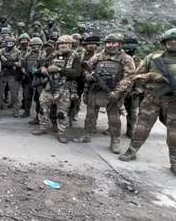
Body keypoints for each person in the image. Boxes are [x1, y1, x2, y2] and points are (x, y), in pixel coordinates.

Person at [119, 28, 176, 175]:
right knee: (141, 127)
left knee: (173, 133)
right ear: (164, 42)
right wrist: (151, 76)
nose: (173, 43)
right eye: (170, 40)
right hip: (152, 98)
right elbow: (136, 75)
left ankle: (174, 161)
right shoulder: (153, 58)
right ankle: (132, 151)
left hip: (173, 101)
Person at [75, 33, 135, 154]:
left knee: (114, 119)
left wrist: (118, 92)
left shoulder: (126, 58)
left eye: (114, 43)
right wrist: (88, 77)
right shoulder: (98, 56)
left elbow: (129, 77)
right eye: (108, 43)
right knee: (90, 115)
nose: (110, 45)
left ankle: (115, 141)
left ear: (120, 44)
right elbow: (86, 70)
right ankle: (87, 134)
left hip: (113, 92)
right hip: (95, 91)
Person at [33, 35, 81, 143]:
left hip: (64, 89)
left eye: (65, 43)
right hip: (49, 87)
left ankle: (62, 133)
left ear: (70, 44)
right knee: (42, 108)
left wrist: (59, 69)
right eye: (60, 43)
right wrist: (42, 69)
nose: (62, 45)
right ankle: (43, 127)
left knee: (62, 113)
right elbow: (40, 66)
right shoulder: (53, 55)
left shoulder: (75, 56)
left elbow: (77, 73)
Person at [0, 35, 22, 117]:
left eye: (11, 42)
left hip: (12, 74)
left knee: (14, 94)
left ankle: (16, 111)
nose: (10, 44)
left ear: (14, 43)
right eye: (8, 42)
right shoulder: (1, 51)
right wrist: (2, 60)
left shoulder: (17, 52)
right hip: (3, 74)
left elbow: (20, 63)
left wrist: (12, 63)